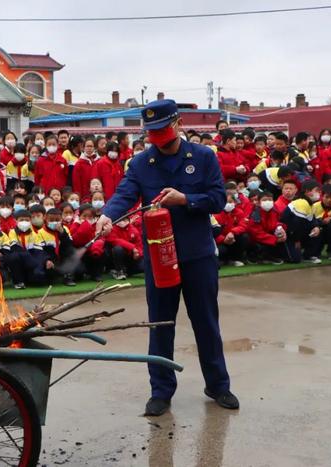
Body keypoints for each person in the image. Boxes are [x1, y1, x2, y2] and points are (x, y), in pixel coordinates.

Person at [97, 99, 237, 415]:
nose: (157, 137)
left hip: (197, 254)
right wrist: (108, 215)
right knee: (161, 324)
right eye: (151, 132)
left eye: (162, 129)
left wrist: (185, 199)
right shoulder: (141, 164)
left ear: (177, 124)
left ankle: (218, 386)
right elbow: (124, 194)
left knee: (206, 323)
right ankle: (161, 391)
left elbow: (217, 199)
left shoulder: (203, 158)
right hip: (159, 257)